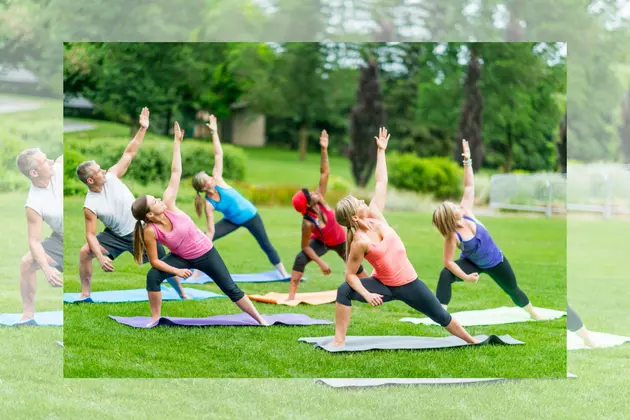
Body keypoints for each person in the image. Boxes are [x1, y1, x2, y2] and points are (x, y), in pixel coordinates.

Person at [332, 128, 478, 346]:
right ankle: (339, 340)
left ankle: (472, 341)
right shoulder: (359, 241)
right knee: (344, 291)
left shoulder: (375, 215)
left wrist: (381, 151)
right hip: (384, 286)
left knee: (441, 316)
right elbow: (350, 276)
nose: (364, 202)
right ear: (354, 216)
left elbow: (381, 183)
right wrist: (367, 293)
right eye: (359, 204)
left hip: (410, 283)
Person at [131, 121, 266, 325]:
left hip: (205, 252)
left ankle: (260, 319)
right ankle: (155, 318)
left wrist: (177, 143)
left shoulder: (168, 204)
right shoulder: (150, 230)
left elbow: (175, 172)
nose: (159, 200)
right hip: (181, 258)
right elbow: (156, 261)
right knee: (153, 276)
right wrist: (176, 271)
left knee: (229, 287)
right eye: (154, 201)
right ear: (149, 215)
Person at [75, 107, 187, 299]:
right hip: (116, 235)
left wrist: (143, 128)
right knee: (85, 252)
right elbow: (90, 235)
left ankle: (182, 294)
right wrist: (101, 258)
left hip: (140, 230)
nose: (103, 171)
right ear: (90, 180)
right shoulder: (90, 205)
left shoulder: (112, 176)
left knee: (161, 260)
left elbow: (130, 153)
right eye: (98, 171)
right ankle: (85, 294)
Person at [432, 139, 541, 320]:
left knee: (513, 289)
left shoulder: (466, 212)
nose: (459, 207)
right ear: (451, 217)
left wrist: (467, 161)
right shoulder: (453, 236)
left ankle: (533, 313)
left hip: (495, 261)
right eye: (455, 209)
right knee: (446, 275)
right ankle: (440, 314)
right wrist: (466, 278)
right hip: (472, 263)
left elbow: (469, 186)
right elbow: (448, 263)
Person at [191, 114, 288, 279]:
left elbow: (218, 155)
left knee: (265, 244)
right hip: (232, 221)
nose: (212, 178)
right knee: (206, 240)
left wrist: (214, 133)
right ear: (204, 187)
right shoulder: (209, 204)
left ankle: (284, 273)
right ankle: (196, 273)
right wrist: (206, 239)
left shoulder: (219, 181)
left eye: (210, 177)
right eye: (208, 180)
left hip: (251, 216)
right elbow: (210, 230)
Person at [289, 129, 366, 300]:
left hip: (340, 240)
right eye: (310, 195)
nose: (314, 193)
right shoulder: (308, 222)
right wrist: (320, 262)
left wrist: (324, 149)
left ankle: (369, 290)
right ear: (308, 204)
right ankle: (291, 296)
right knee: (300, 258)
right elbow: (305, 247)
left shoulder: (321, 199)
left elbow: (324, 173)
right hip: (321, 243)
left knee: (356, 266)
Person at [16, 148, 63, 321]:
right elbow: (34, 241)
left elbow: (59, 158)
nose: (48, 161)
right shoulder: (34, 203)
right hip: (60, 240)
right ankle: (28, 315)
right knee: (26, 264)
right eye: (44, 161)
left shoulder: (57, 170)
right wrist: (47, 269)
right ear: (34, 173)